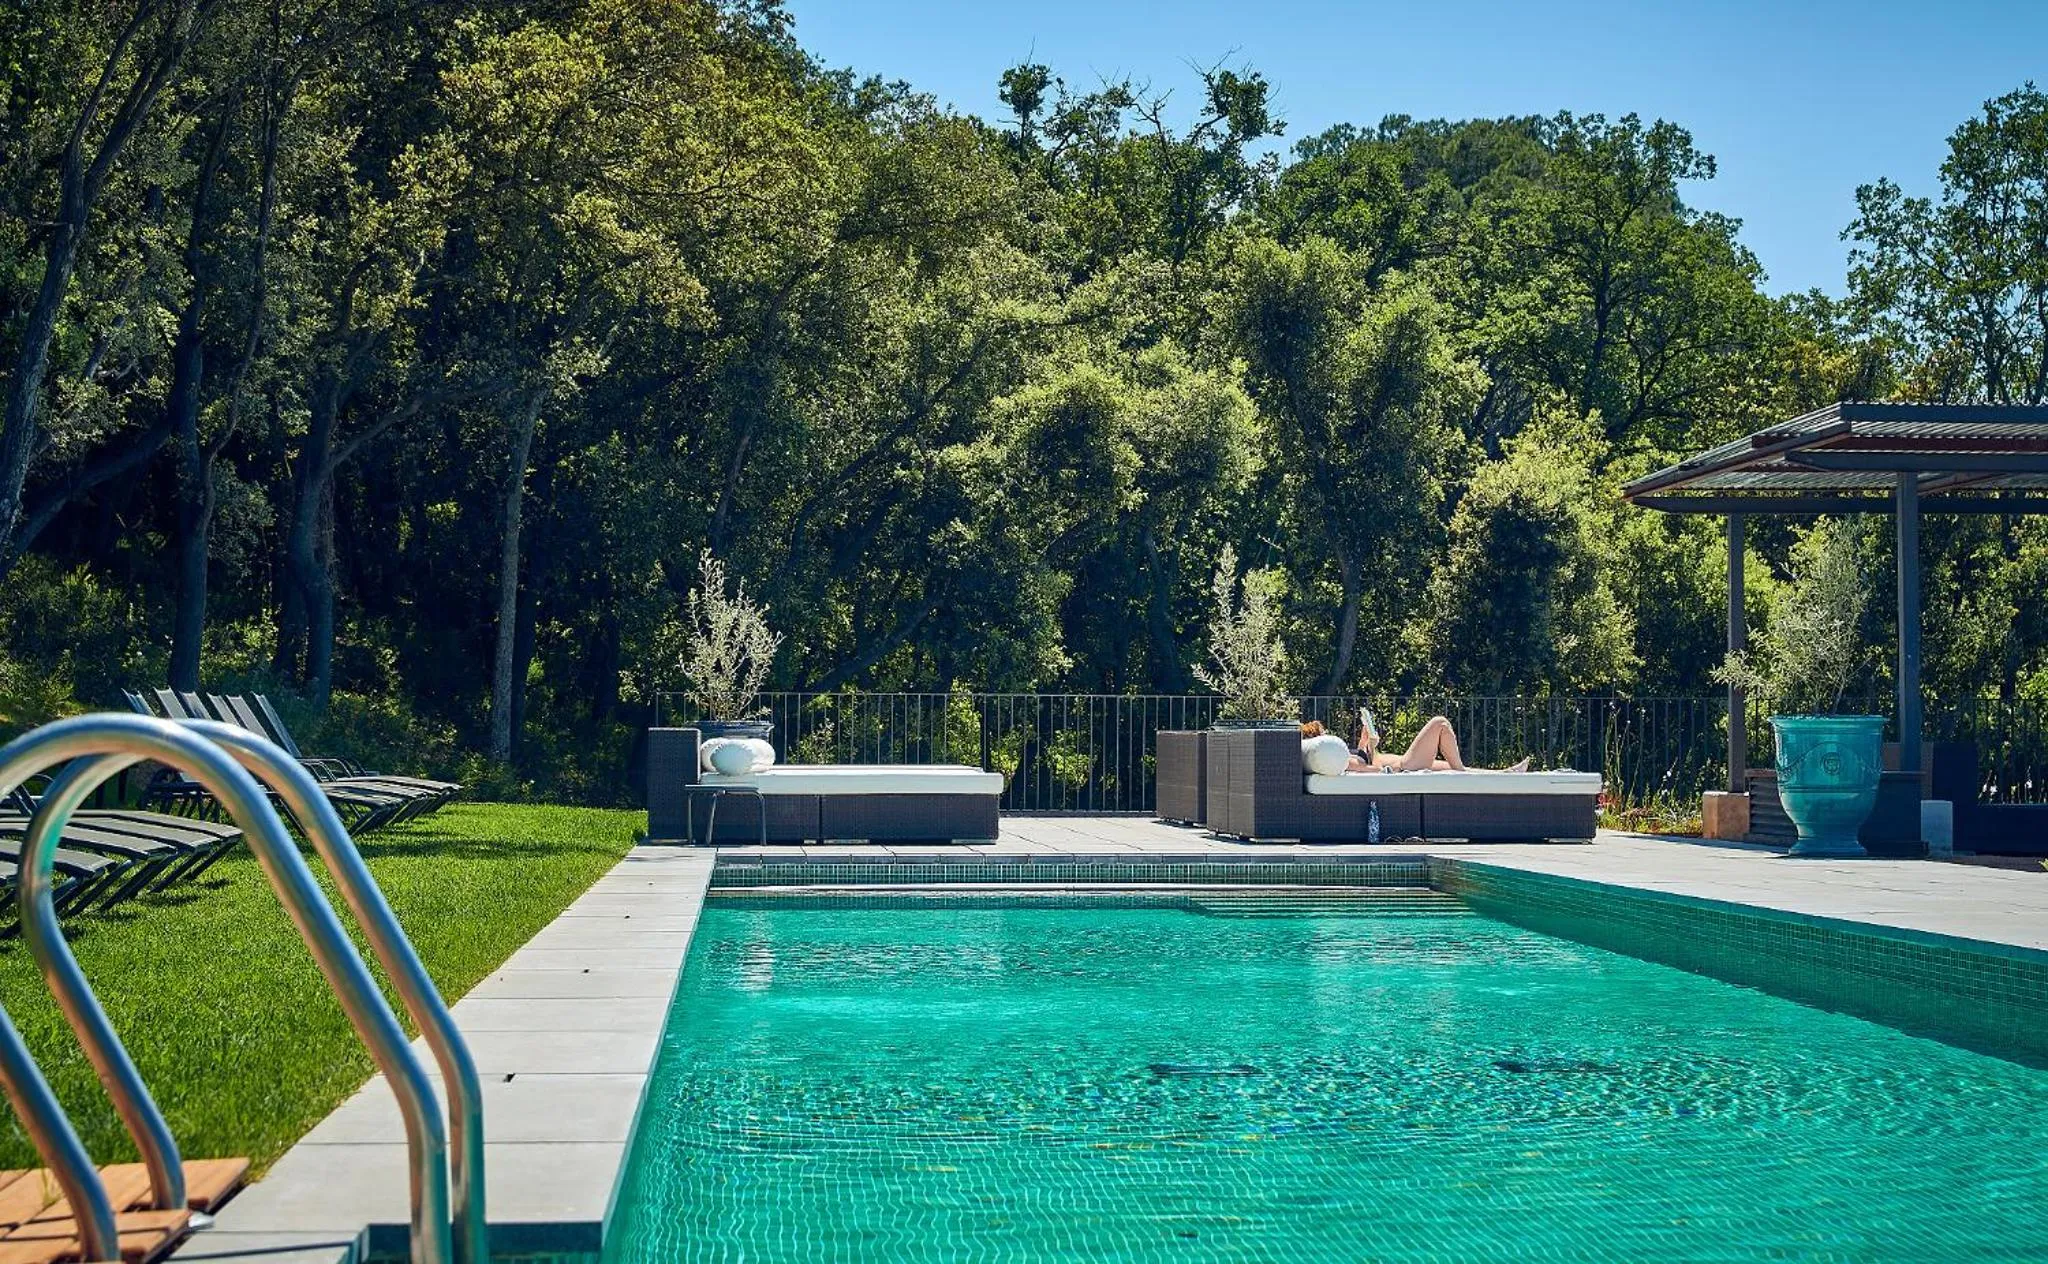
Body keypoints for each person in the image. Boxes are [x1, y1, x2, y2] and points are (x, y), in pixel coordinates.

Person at [1300, 716, 1531, 774]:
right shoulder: (1332, 757)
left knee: (1450, 766)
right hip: (1405, 767)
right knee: (1440, 723)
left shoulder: (1334, 756)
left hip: (1405, 764)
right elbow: (1362, 766)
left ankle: (1504, 773)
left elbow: (1362, 761)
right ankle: (1463, 776)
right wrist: (1367, 747)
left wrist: (1367, 744)